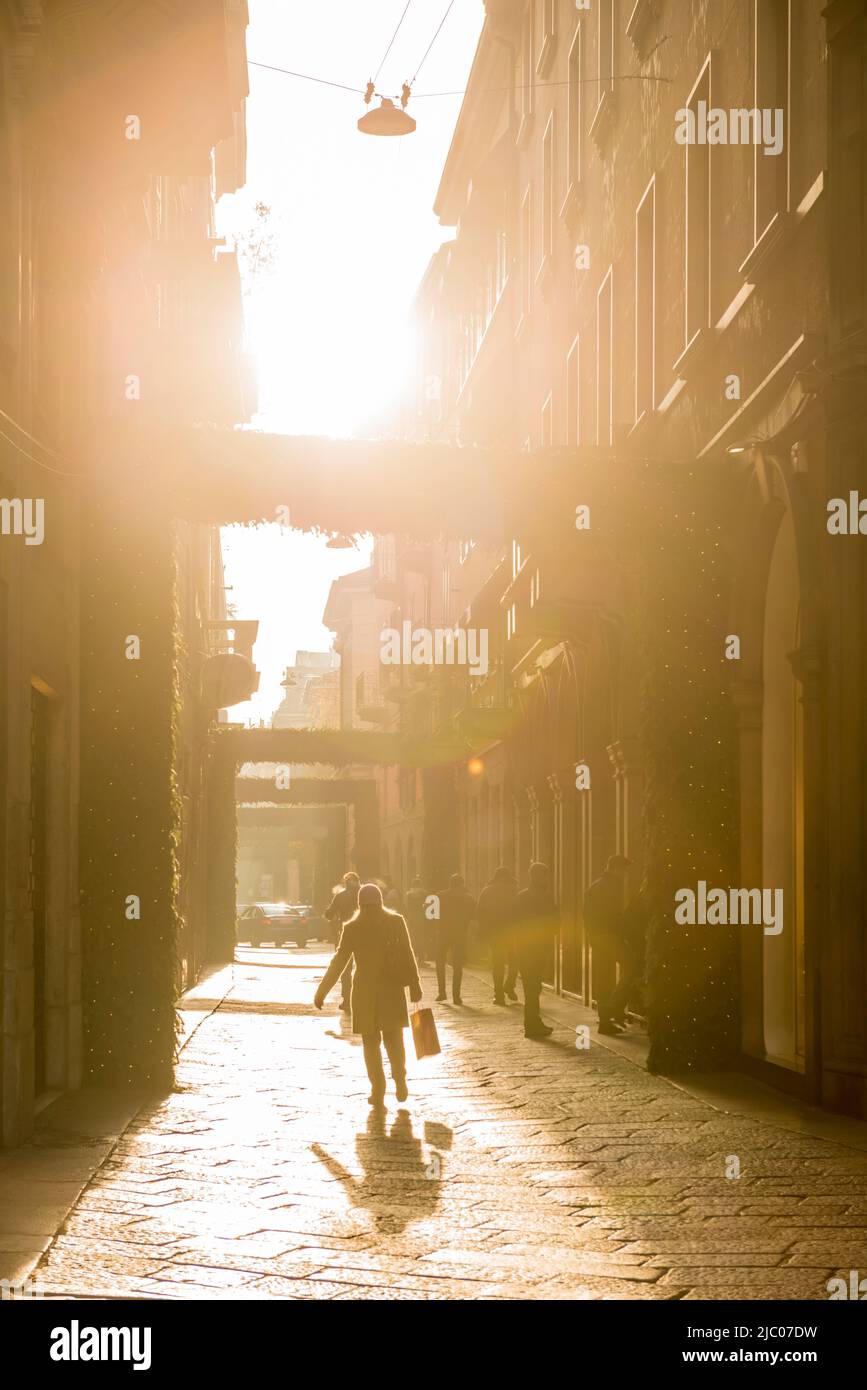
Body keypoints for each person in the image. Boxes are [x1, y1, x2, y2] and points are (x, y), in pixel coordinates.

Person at [314, 882, 422, 1107]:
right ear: (381, 901)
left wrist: (322, 990)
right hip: (391, 989)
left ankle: (378, 1089)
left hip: (364, 993)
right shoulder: (396, 922)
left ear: (360, 904)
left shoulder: (353, 927)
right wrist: (415, 983)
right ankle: (400, 1079)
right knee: (394, 1041)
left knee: (370, 1044)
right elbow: (407, 953)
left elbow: (339, 961)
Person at [583, 853, 632, 1035]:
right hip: (609, 935)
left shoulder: (596, 885)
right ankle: (615, 1007)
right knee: (632, 967)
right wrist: (623, 932)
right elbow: (614, 914)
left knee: (603, 977)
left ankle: (605, 1021)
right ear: (616, 869)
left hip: (597, 936)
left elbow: (586, 913)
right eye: (624, 871)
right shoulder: (611, 886)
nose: (626, 875)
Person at [513, 862, 559, 1038]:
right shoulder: (543, 897)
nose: (546, 879)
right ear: (539, 877)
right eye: (545, 876)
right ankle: (532, 1025)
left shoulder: (521, 896)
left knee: (530, 987)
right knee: (533, 987)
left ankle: (533, 1021)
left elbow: (513, 922)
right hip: (537, 948)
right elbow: (554, 920)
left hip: (524, 948)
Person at [477, 865, 519, 1005]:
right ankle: (509, 985)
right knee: (514, 961)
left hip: (494, 932)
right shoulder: (515, 890)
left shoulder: (487, 891)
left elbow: (480, 913)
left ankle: (499, 995)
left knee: (498, 964)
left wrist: (482, 931)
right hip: (512, 931)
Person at [435, 872, 476, 1005]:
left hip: (443, 933)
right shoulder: (468, 898)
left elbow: (430, 915)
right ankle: (456, 996)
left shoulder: (439, 895)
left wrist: (436, 925)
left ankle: (441, 992)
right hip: (460, 934)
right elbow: (474, 915)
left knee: (440, 962)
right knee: (457, 965)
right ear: (462, 884)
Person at [324, 871, 360, 1011]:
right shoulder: (363, 894)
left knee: (345, 968)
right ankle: (363, 997)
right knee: (365, 967)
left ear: (345, 883)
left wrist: (329, 911)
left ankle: (347, 999)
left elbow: (329, 914)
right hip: (365, 934)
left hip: (346, 934)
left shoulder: (340, 896)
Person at [404, 876, 429, 965]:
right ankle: (421, 959)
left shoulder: (409, 895)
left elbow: (408, 907)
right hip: (422, 919)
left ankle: (413, 958)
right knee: (422, 938)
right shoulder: (424, 894)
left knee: (413, 938)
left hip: (412, 919)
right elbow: (426, 907)